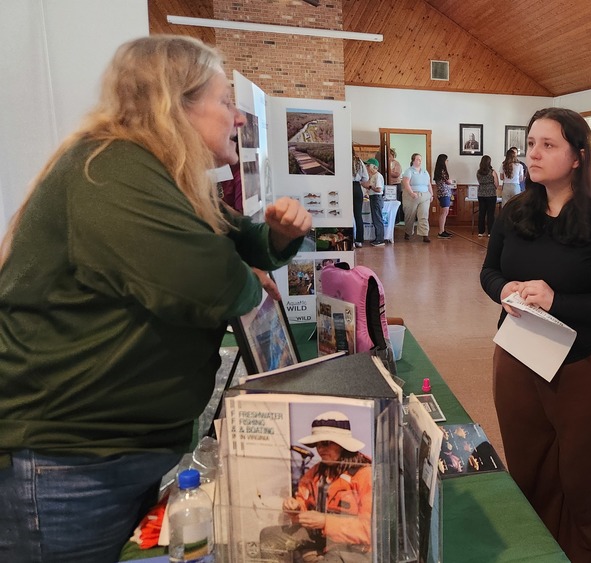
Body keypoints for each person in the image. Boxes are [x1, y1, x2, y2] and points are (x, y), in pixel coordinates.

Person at [0, 35, 311, 561]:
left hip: (104, 457)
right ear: (176, 104)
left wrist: (278, 238)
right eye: (224, 101)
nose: (238, 119)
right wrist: (245, 272)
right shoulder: (110, 170)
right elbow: (213, 280)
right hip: (66, 463)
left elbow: (241, 241)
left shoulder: (167, 178)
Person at [480, 107, 591, 562]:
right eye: (531, 143)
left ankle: (582, 555)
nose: (533, 153)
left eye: (548, 145)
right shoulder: (515, 210)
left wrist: (560, 302)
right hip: (519, 357)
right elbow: (489, 271)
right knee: (528, 467)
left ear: (578, 156)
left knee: (583, 481)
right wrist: (504, 290)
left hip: (585, 364)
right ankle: (538, 552)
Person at [263, 411, 373, 561]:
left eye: (326, 443)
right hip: (320, 538)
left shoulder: (365, 475)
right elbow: (302, 504)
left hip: (354, 548)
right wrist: (295, 508)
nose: (320, 449)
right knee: (269, 536)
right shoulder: (315, 473)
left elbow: (370, 530)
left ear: (343, 445)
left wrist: (326, 522)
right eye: (317, 444)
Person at [401, 152, 432, 243]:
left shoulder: (425, 171)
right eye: (418, 159)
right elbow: (406, 183)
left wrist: (431, 194)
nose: (419, 161)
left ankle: (425, 234)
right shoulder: (409, 171)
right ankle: (408, 232)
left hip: (424, 195)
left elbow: (429, 184)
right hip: (412, 196)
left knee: (424, 215)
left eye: (420, 160)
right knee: (410, 215)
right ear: (413, 160)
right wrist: (411, 193)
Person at [432, 153, 456, 239]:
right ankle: (441, 231)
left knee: (444, 212)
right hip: (444, 193)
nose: (447, 162)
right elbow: (448, 181)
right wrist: (451, 180)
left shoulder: (438, 170)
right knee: (444, 212)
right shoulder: (442, 171)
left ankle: (442, 230)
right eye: (446, 160)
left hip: (442, 193)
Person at [476, 155, 500, 237]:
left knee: (481, 213)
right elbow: (496, 184)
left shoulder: (478, 172)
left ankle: (481, 231)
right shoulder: (492, 172)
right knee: (490, 214)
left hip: (481, 194)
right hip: (491, 194)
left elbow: (479, 182)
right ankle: (490, 232)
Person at [364, 157, 386, 247]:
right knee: (375, 218)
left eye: (368, 165)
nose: (367, 167)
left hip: (377, 198)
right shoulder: (373, 176)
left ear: (374, 167)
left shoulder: (378, 176)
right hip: (373, 198)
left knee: (377, 219)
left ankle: (380, 239)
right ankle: (378, 238)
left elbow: (379, 189)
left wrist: (370, 187)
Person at [351, 150, 369, 248]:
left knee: (347, 215)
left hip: (346, 187)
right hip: (357, 187)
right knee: (358, 215)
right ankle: (359, 240)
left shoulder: (341, 159)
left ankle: (350, 240)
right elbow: (365, 178)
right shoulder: (359, 161)